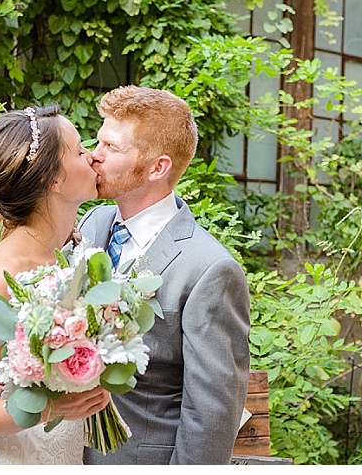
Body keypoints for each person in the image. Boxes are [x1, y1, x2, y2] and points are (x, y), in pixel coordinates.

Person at [78, 85, 250, 465]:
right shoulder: (92, 223)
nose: (94, 156)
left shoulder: (209, 269)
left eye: (112, 148)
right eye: (97, 141)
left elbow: (212, 414)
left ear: (158, 167)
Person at [0, 104, 111, 464]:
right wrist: (51, 407)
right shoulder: (8, 271)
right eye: (79, 151)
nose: (92, 157)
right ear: (51, 180)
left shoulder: (77, 250)